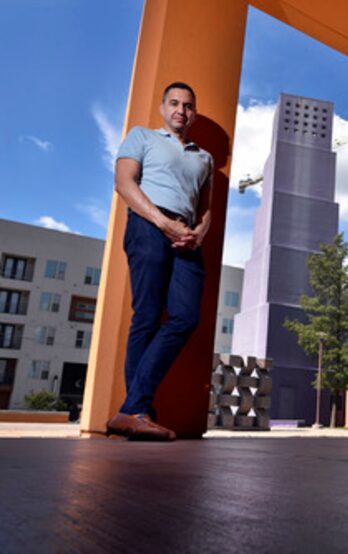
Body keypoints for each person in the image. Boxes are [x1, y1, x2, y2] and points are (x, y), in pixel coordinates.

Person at [105, 82, 213, 441]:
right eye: (174, 103)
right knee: (148, 316)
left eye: (188, 105)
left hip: (185, 235)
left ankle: (131, 409)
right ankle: (138, 411)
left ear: (194, 112)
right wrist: (161, 221)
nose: (181, 110)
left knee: (185, 317)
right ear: (163, 107)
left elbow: (206, 206)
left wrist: (198, 233)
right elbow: (124, 182)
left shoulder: (205, 157)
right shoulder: (142, 137)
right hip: (149, 224)